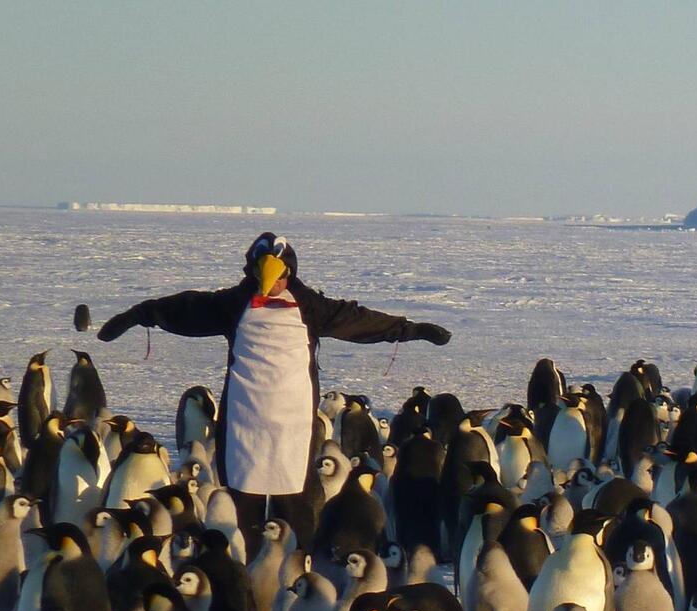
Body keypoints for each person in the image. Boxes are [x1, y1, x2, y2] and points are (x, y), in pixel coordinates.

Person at [98, 231, 450, 543]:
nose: (273, 283)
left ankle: (296, 578)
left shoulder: (310, 307)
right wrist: (137, 315)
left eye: (280, 275)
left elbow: (358, 320)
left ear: (289, 272)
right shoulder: (234, 304)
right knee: (243, 510)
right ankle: (248, 576)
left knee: (296, 508)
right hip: (243, 421)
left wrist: (411, 329)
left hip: (292, 424)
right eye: (262, 275)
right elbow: (185, 309)